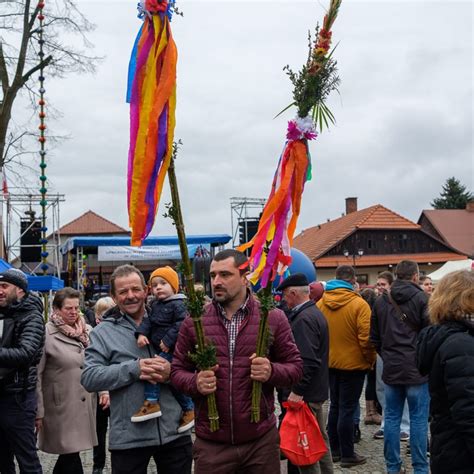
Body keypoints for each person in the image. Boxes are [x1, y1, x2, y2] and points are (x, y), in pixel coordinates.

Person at [171, 249, 303, 474]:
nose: (216, 282)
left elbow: (296, 368)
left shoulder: (271, 317)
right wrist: (195, 382)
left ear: (244, 277)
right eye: (213, 275)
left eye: (225, 274)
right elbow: (176, 372)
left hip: (259, 442)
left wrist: (271, 371)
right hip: (212, 443)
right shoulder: (196, 320)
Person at [81, 264, 192, 474]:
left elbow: (193, 367)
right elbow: (89, 377)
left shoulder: (173, 321)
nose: (130, 296)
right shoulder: (102, 332)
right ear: (114, 297)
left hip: (174, 432)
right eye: (123, 292)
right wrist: (135, 369)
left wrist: (171, 373)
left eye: (136, 289)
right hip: (129, 439)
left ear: (146, 291)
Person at [371, 260, 430, 474]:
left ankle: (393, 467)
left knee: (392, 418)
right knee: (418, 419)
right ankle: (421, 468)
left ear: (396, 275)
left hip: (392, 367)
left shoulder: (381, 301)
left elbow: (374, 338)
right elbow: (429, 335)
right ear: (415, 276)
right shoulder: (423, 298)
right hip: (417, 368)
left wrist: (387, 356)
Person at [317, 265, 375, 468]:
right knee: (348, 409)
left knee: (335, 406)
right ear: (353, 282)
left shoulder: (320, 303)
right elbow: (366, 339)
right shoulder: (359, 304)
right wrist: (370, 360)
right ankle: (348, 453)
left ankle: (334, 450)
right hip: (354, 365)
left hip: (330, 363)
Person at [417, 270, 474, 474]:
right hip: (460, 453)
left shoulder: (451, 336)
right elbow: (468, 410)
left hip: (448, 445)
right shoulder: (460, 343)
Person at [36, 287, 97, 474]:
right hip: (60, 404)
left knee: (71, 453)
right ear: (56, 309)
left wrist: (103, 391)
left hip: (85, 399)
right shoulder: (45, 334)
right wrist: (38, 410)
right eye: (68, 308)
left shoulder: (87, 330)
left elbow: (98, 363)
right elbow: (37, 374)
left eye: (76, 308)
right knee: (69, 451)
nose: (73, 312)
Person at [277, 273, 333, 474]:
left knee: (305, 447)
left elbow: (307, 361)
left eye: (284, 295)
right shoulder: (314, 313)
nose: (283, 299)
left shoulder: (304, 319)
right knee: (320, 441)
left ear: (293, 293)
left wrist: (297, 391)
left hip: (306, 395)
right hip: (316, 391)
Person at [132, 266, 194, 433]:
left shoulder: (179, 304)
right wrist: (141, 334)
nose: (158, 287)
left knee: (155, 370)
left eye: (163, 283)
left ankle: (152, 401)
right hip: (162, 347)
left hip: (174, 348)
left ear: (174, 286)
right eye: (154, 285)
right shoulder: (155, 305)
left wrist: (167, 340)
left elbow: (181, 324)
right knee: (171, 381)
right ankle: (188, 408)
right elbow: (148, 322)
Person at [0, 268, 45, 474]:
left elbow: (26, 353)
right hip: (2, 394)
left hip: (18, 398)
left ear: (20, 290)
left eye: (4, 286)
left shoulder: (32, 316)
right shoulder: (3, 313)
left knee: (27, 460)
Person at [373, 271, 410, 442]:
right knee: (382, 389)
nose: (380, 287)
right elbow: (374, 331)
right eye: (378, 284)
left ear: (391, 286)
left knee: (405, 389)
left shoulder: (402, 301)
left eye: (383, 284)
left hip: (402, 352)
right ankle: (385, 424)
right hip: (384, 352)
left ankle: (404, 425)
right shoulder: (378, 303)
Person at [91, 296, 115, 474]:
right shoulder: (94, 334)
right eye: (102, 313)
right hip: (99, 392)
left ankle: (108, 463)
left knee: (114, 430)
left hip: (115, 390)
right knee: (99, 431)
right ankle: (98, 465)